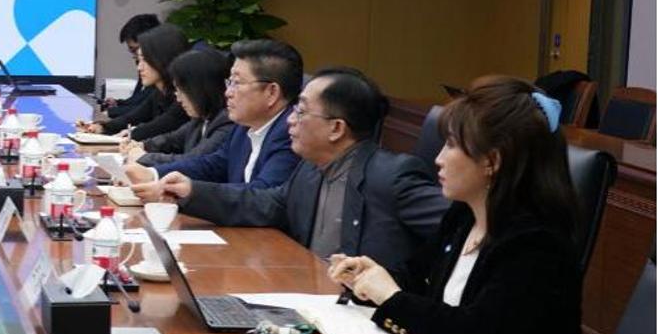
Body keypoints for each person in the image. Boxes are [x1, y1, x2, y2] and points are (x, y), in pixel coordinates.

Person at [329, 77, 591, 334]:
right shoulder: (463, 216)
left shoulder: (536, 243)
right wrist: (366, 279)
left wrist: (390, 298)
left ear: (492, 161)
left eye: (451, 145)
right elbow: (415, 279)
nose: (438, 159)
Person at [153, 68, 447, 280]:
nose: (290, 121)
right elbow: (269, 204)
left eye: (302, 112)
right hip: (310, 297)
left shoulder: (392, 177)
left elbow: (460, 229)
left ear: (336, 128)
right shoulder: (309, 168)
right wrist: (192, 192)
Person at [127, 38, 302, 197]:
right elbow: (213, 165)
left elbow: (261, 196)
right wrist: (153, 174)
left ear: (271, 92)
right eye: (229, 82)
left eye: (237, 83)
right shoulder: (244, 126)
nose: (228, 92)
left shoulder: (291, 134)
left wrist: (190, 192)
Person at [128, 47, 234, 169]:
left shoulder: (226, 122)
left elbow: (193, 160)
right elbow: (171, 139)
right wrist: (142, 146)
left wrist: (143, 157)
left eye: (181, 90)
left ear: (200, 89)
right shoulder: (201, 119)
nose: (178, 99)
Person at [85, 24, 191, 142]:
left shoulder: (184, 96)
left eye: (145, 60)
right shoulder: (159, 92)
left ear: (163, 58)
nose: (139, 67)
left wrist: (131, 134)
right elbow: (133, 117)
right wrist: (101, 127)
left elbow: (160, 126)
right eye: (139, 60)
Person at [101, 13, 161, 117]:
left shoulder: (163, 68)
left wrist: (111, 113)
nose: (136, 58)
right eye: (132, 51)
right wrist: (119, 103)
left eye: (135, 49)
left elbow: (146, 108)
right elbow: (140, 96)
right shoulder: (142, 62)